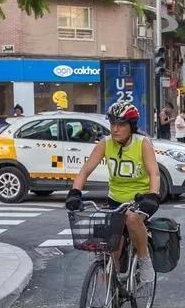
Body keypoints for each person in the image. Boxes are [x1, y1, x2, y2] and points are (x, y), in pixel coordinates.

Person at [64, 101, 160, 285]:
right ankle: (114, 280)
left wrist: (153, 196)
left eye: (121, 124)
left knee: (132, 219)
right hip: (115, 199)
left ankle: (144, 259)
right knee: (110, 245)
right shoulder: (105, 144)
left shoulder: (142, 143)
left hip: (139, 200)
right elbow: (84, 171)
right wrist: (75, 192)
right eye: (112, 124)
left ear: (131, 126)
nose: (115, 129)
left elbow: (154, 173)